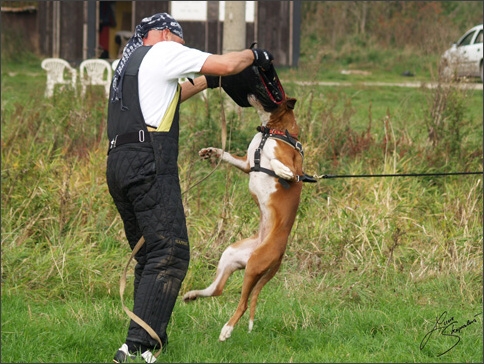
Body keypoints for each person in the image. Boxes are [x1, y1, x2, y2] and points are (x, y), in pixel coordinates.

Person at [106, 12, 273, 363]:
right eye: (181, 43)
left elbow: (168, 97)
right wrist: (256, 56)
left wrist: (207, 82)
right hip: (148, 162)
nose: (182, 50)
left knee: (150, 255)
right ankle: (136, 349)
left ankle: (149, 340)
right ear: (166, 34)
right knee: (171, 254)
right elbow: (228, 64)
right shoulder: (165, 50)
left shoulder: (128, 64)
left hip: (119, 163)